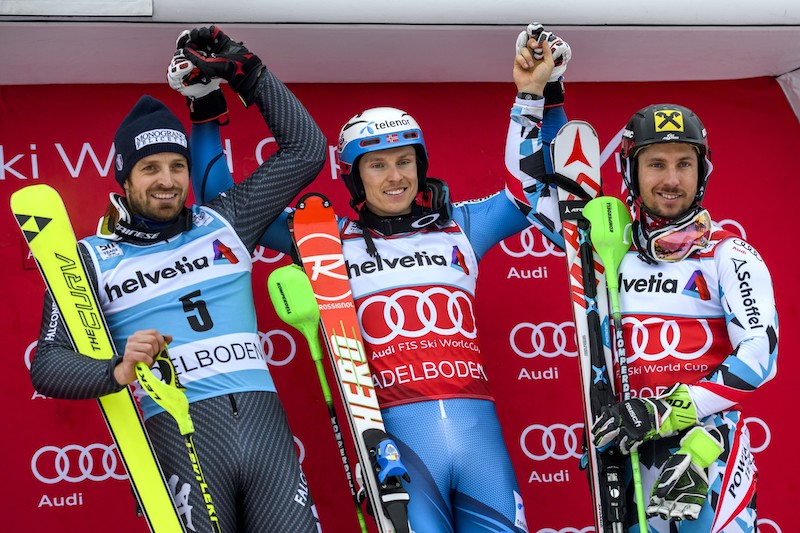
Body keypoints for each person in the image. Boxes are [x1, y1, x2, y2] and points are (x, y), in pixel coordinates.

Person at [178, 23, 571, 533]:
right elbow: (222, 204)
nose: (395, 177)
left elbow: (541, 186)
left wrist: (541, 94)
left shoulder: (463, 226)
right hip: (398, 448)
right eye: (378, 165)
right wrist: (206, 106)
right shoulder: (324, 241)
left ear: (421, 163)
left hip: (481, 446)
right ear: (353, 176)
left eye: (405, 161)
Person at [31, 26, 326, 533]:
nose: (166, 180)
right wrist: (116, 371)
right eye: (150, 168)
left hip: (266, 438)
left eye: (176, 166)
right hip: (180, 437)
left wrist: (250, 72)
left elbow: (306, 150)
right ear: (124, 178)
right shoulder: (90, 257)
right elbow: (47, 363)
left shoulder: (226, 220)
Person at [521, 103, 778, 531]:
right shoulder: (600, 246)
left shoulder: (727, 253)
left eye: (685, 164)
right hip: (627, 454)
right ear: (631, 170)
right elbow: (529, 192)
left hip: (706, 452)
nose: (672, 180)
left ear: (703, 172)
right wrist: (538, 101)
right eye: (656, 164)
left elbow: (760, 357)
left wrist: (664, 412)